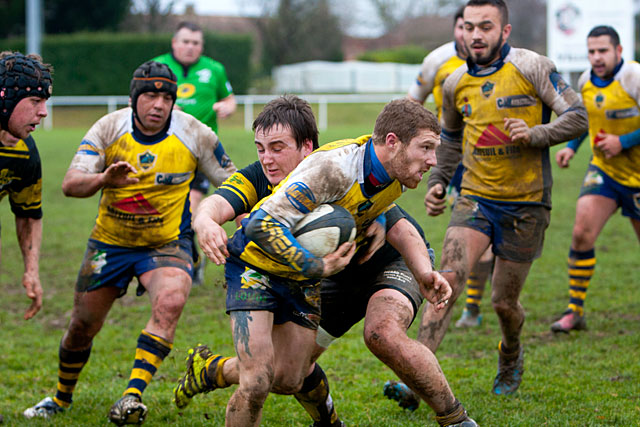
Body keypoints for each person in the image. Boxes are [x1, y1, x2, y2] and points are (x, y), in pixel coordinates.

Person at [174, 98, 476, 427]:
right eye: (260, 148)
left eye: (277, 147)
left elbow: (399, 224)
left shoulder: (378, 165)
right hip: (312, 274)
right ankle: (217, 371)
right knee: (283, 376)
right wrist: (204, 222)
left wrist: (423, 271)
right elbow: (223, 207)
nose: (267, 159)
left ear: (308, 148)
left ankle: (455, 418)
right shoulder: (297, 174)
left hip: (379, 265)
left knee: (382, 333)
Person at [23, 61, 236, 425]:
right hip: (110, 244)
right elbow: (70, 184)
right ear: (134, 98)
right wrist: (104, 178)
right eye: (150, 95)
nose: (158, 104)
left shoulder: (196, 134)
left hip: (167, 243)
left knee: (171, 302)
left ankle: (131, 397)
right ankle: (61, 397)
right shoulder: (109, 128)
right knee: (81, 327)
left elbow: (233, 184)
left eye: (166, 97)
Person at [418, 0, 587, 397]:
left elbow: (577, 116)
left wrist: (535, 134)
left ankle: (510, 352)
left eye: (486, 27)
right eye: (469, 27)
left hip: (526, 202)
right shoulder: (454, 82)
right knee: (446, 282)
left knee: (503, 304)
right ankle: (418, 373)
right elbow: (451, 139)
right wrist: (438, 181)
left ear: (504, 32)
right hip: (475, 198)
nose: (476, 35)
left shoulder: (533, 67)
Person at [550, 26, 640, 333]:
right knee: (580, 233)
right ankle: (574, 311)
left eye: (603, 50)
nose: (596, 57)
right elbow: (588, 122)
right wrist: (572, 148)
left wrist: (623, 142)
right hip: (605, 170)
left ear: (619, 51)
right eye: (591, 51)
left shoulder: (633, 77)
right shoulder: (585, 81)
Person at [152, 21, 237, 285]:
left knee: (190, 207)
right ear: (174, 43)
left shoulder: (214, 69)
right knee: (164, 210)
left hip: (201, 151)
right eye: (186, 41)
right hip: (164, 149)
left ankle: (190, 261)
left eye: (196, 43)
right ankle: (187, 258)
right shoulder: (158, 67)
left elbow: (230, 99)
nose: (190, 47)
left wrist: (226, 107)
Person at [0, 51, 52, 425]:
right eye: (35, 101)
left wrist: (31, 270)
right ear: (5, 97)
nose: (43, 112)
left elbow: (28, 213)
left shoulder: (23, 153)